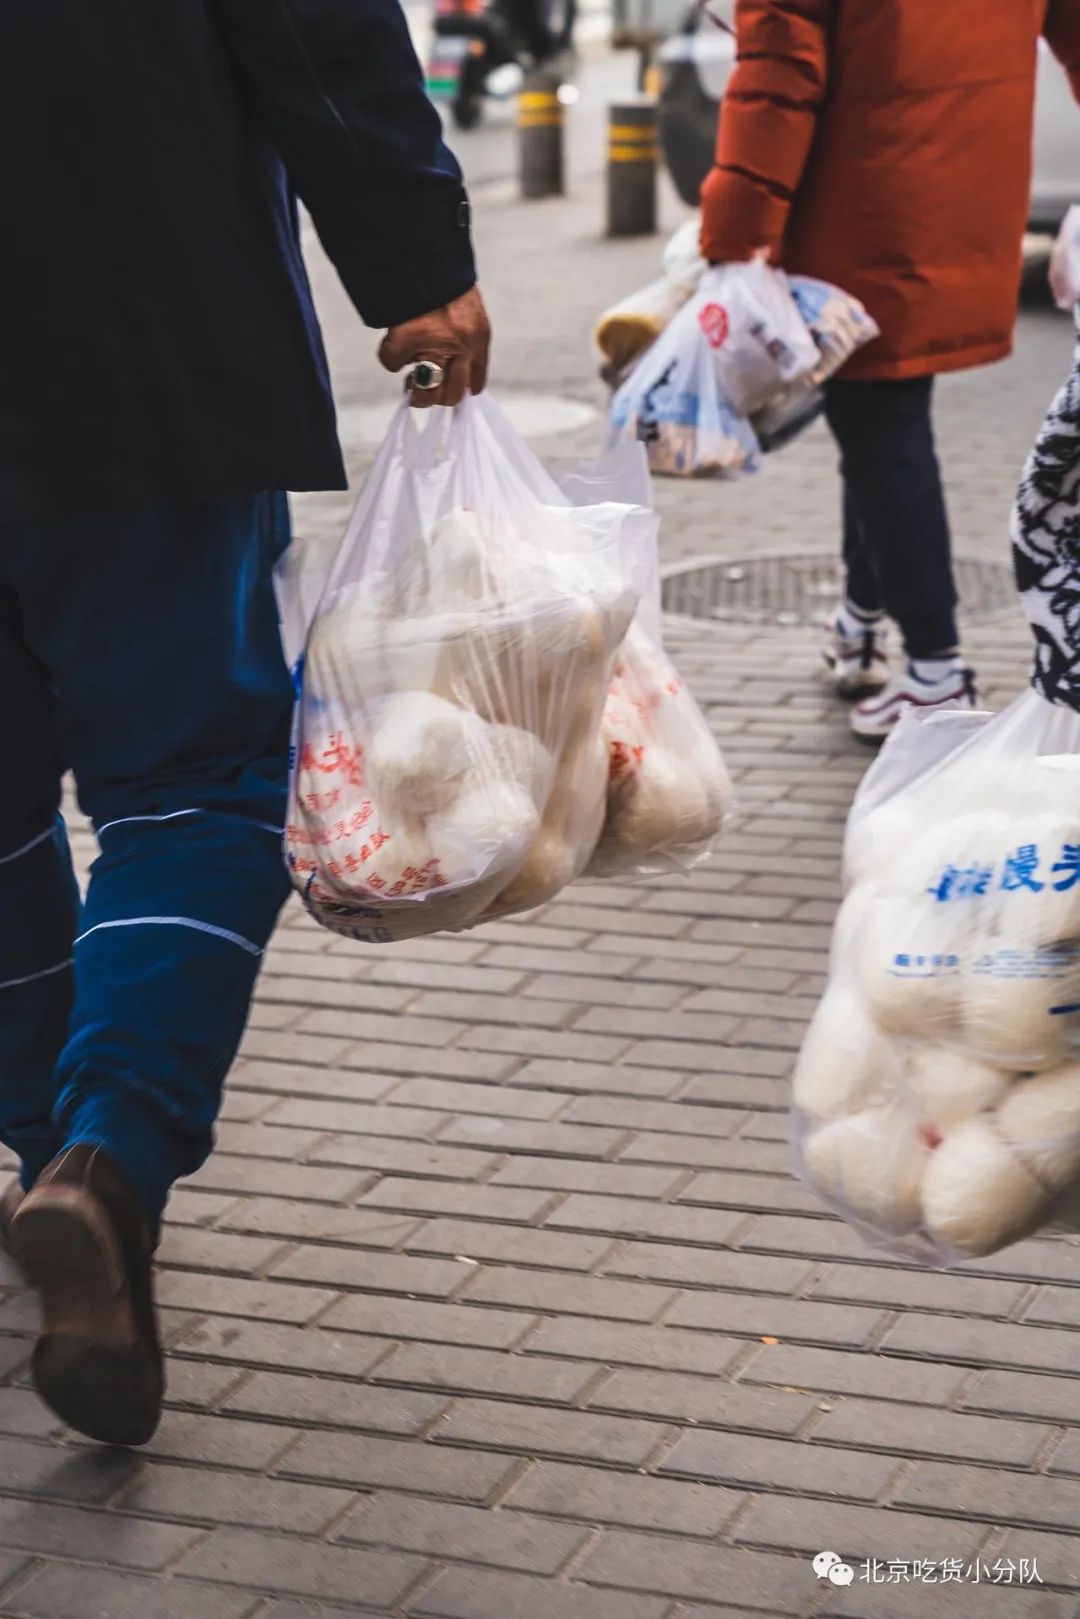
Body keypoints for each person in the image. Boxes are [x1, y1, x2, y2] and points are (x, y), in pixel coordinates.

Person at [0, 0, 489, 1447]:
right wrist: (416, 266)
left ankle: (48, 1152)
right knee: (199, 780)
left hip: (126, 343)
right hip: (134, 343)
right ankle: (105, 1156)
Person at [700, 0, 1080, 741]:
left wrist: (736, 234)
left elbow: (777, 81)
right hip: (968, 195)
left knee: (883, 433)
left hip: (859, 202)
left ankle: (937, 669)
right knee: (878, 417)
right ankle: (861, 621)